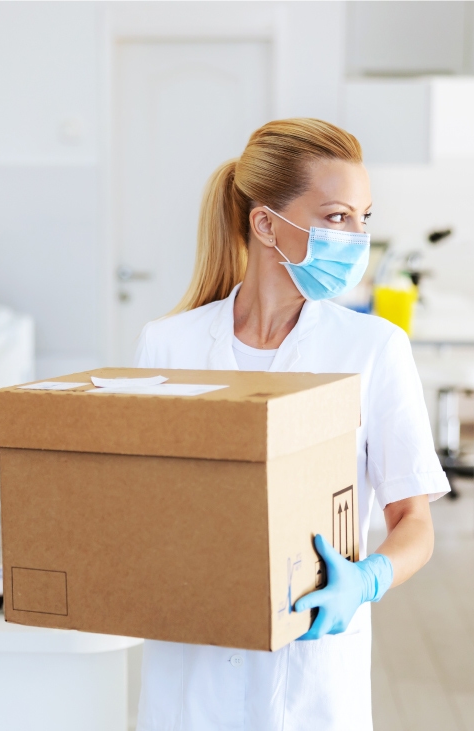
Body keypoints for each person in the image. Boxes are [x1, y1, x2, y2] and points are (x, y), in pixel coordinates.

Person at [133, 118, 449, 731]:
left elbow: (415, 523)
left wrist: (367, 580)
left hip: (312, 675)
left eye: (363, 217)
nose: (356, 239)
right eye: (335, 218)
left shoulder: (374, 348)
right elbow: (143, 507)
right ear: (266, 223)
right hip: (188, 674)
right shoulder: (169, 346)